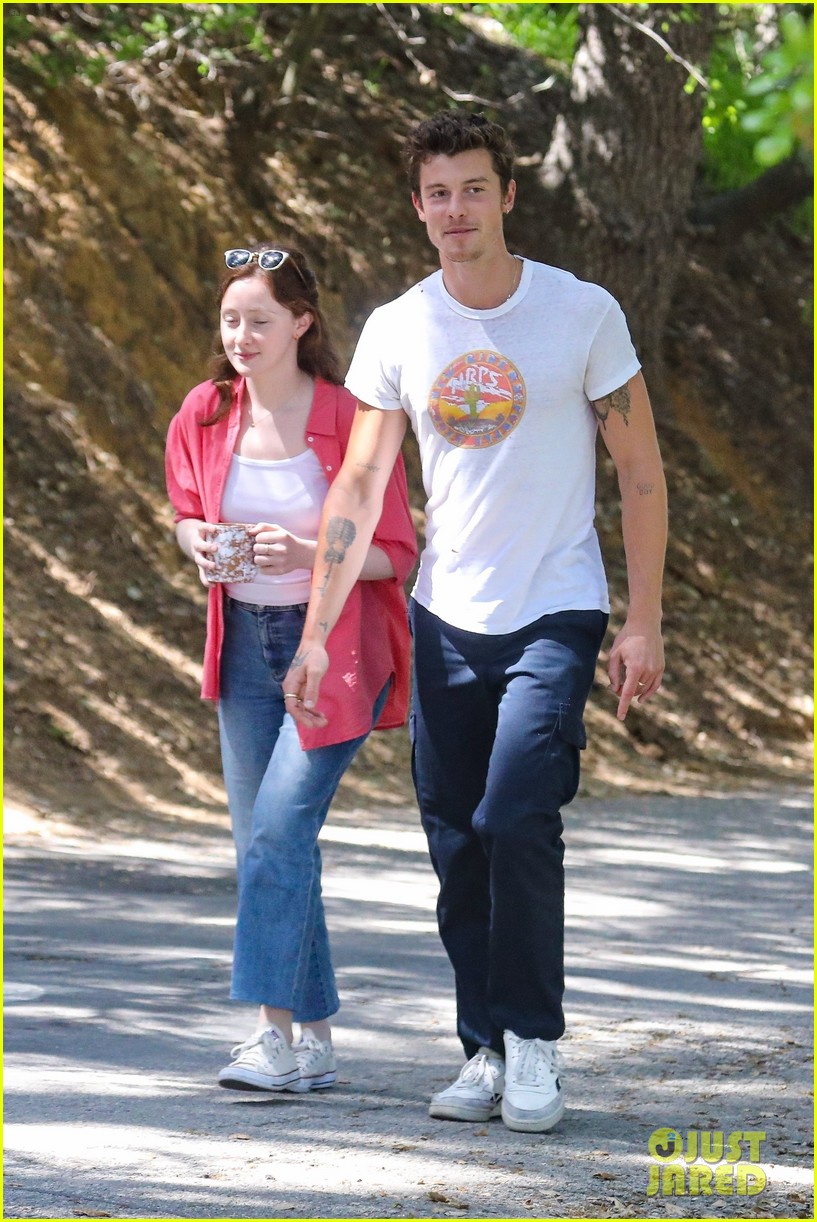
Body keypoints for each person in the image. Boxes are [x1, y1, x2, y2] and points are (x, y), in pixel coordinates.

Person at [283, 111, 667, 1133]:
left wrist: (643, 620)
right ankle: (483, 1048)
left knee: (512, 817)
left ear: (507, 195)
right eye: (437, 194)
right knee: (454, 840)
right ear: (419, 209)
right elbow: (360, 482)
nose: (456, 209)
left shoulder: (580, 314)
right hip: (446, 614)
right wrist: (318, 629)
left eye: (473, 189)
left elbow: (637, 470)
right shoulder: (402, 328)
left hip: (556, 606)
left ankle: (534, 1040)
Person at [165, 243, 416, 1094]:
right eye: (230, 319)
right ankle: (313, 1035)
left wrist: (313, 552)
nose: (241, 334)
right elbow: (185, 514)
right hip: (241, 644)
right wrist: (195, 541)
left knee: (276, 831)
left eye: (259, 320)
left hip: (335, 650)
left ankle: (268, 1036)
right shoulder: (202, 413)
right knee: (269, 842)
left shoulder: (350, 416)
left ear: (301, 324)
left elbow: (394, 554)